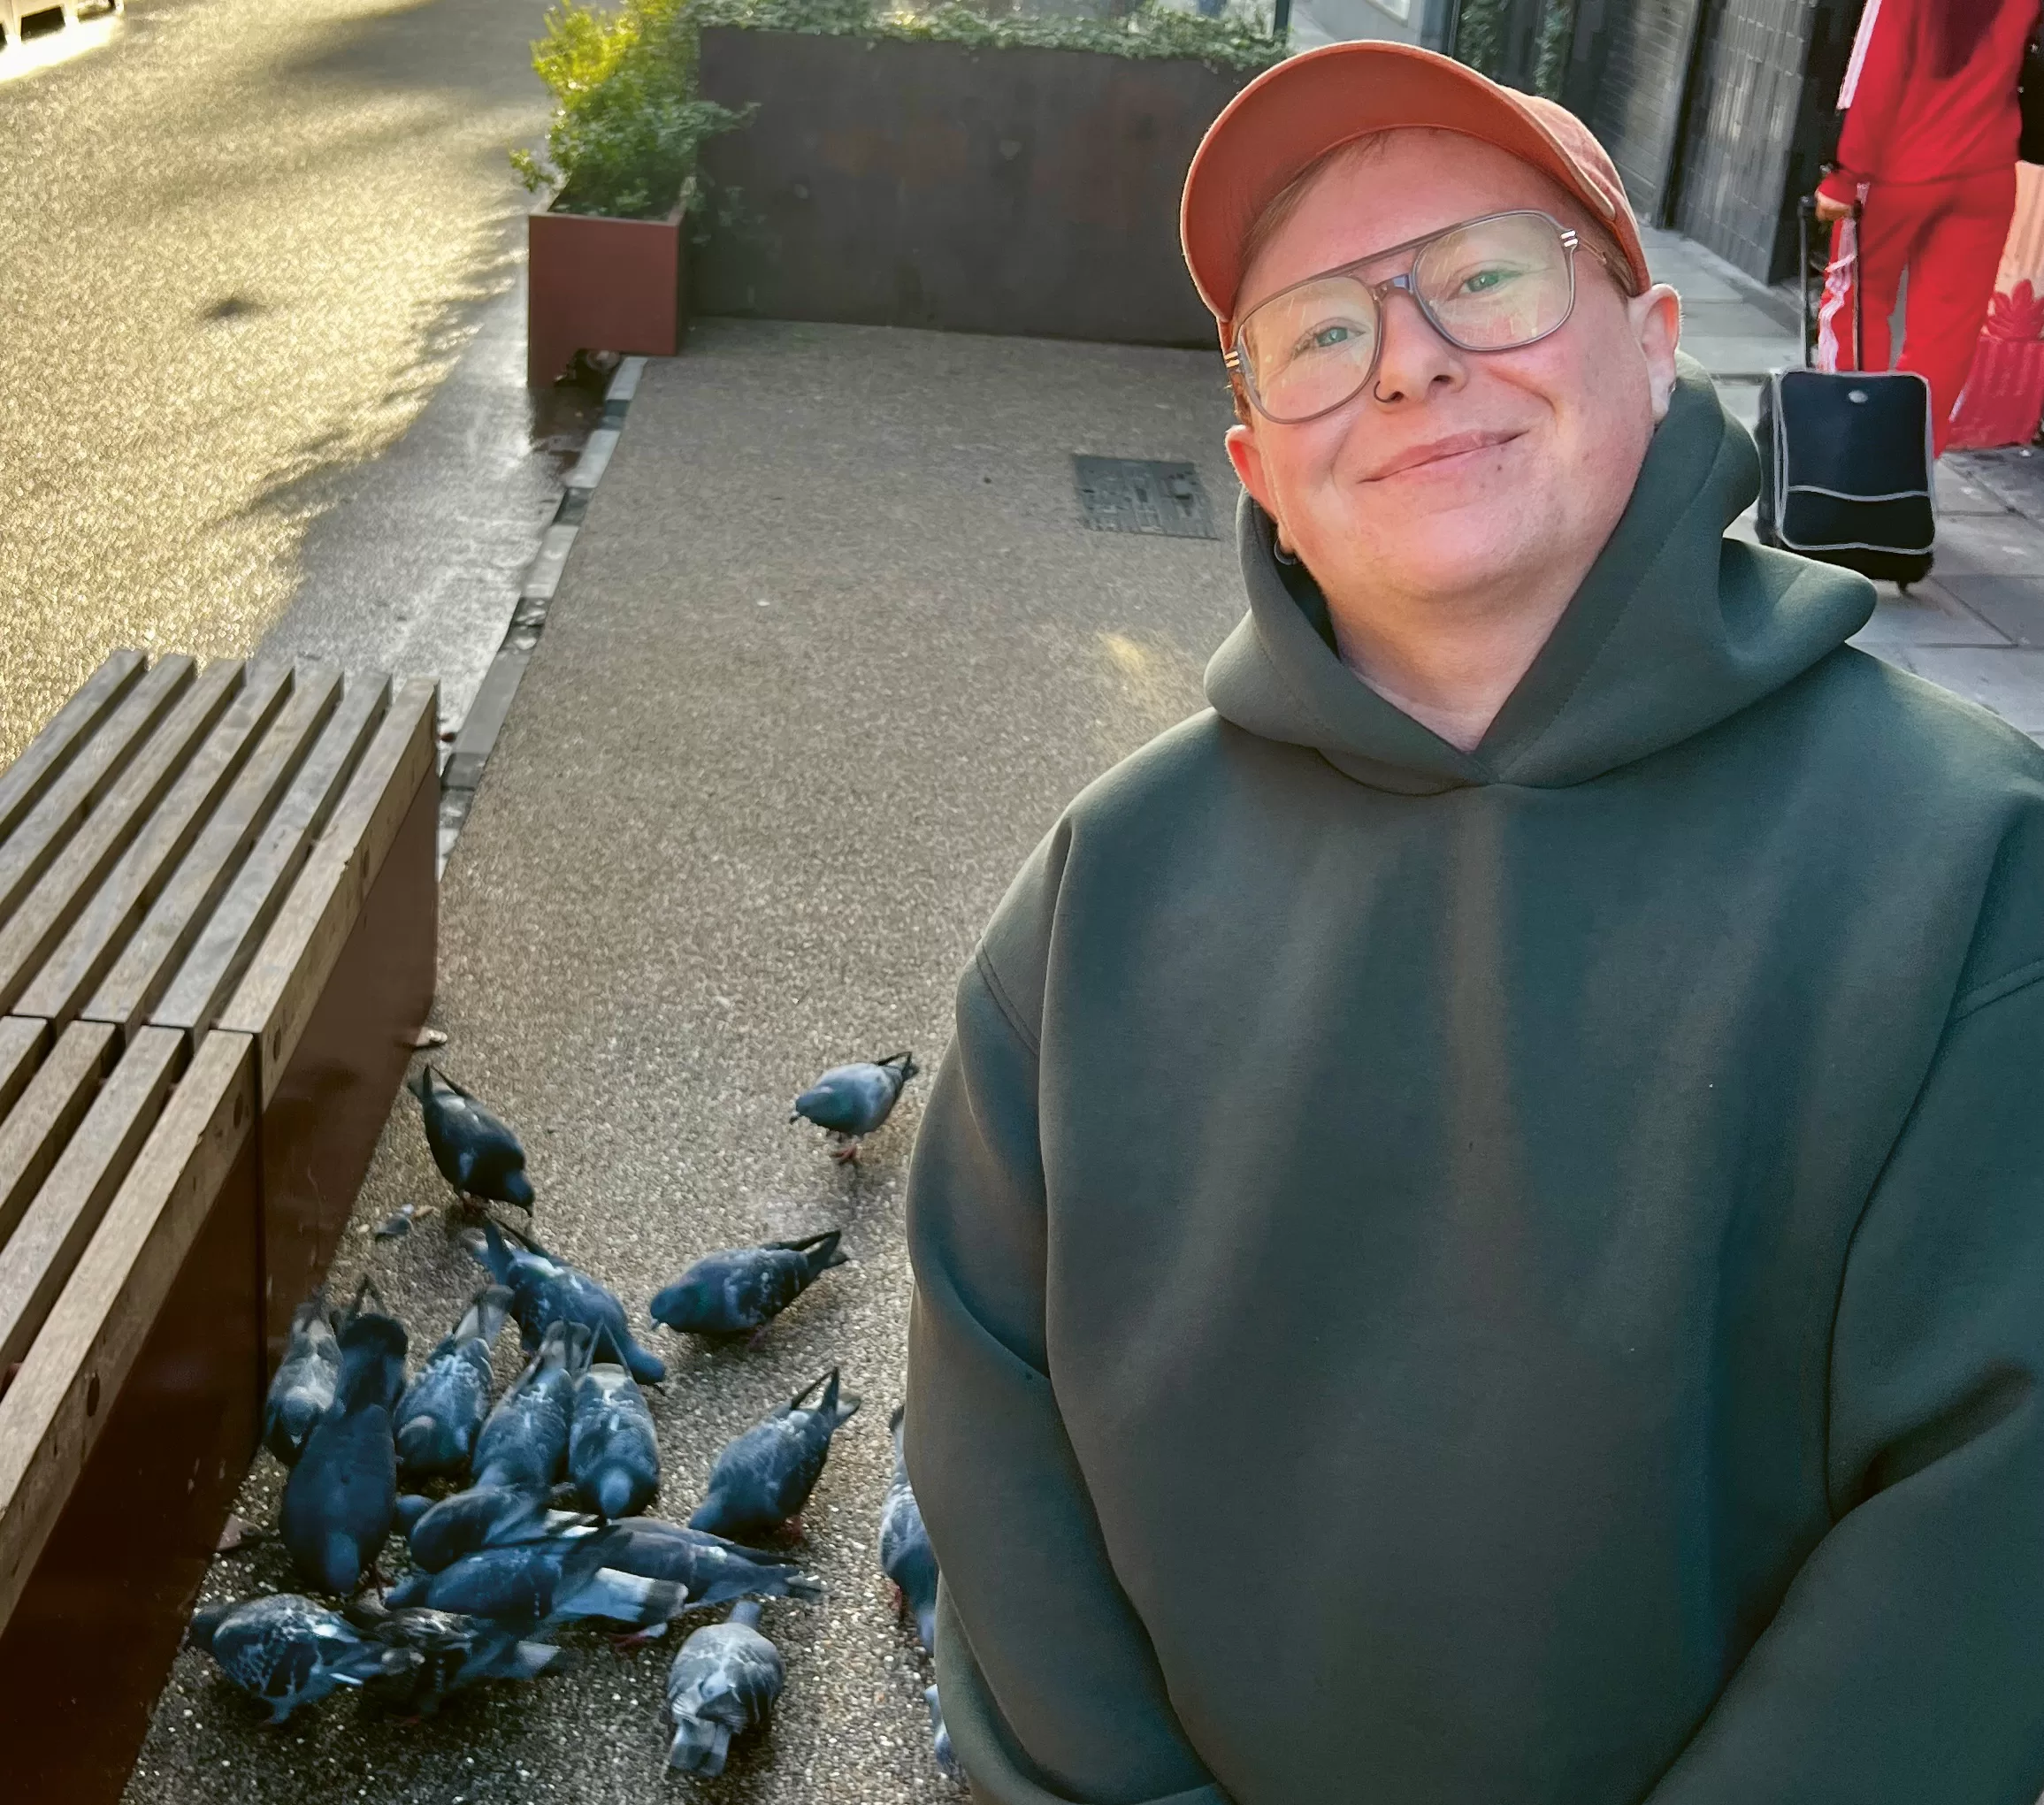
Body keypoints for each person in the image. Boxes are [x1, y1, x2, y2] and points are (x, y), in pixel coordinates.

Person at [903, 37, 2044, 1805]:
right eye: (1321, 333)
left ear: (1655, 347)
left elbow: (1985, 1548)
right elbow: (994, 1456)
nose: (1414, 363)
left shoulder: (1973, 873)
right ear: (1257, 460)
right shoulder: (1095, 897)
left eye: (1486, 279)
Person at [1814, 0, 2038, 455]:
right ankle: (1907, 470)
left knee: (1856, 303)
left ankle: (1850, 458)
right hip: (1985, 173)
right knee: (1948, 332)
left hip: (1894, 172)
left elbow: (1876, 73)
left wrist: (1844, 175)